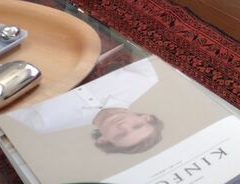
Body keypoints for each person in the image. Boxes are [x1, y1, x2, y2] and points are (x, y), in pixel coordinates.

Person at [8, 57, 164, 155]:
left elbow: (6, 97)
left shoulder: (45, 123)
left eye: (120, 135)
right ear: (146, 118)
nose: (123, 126)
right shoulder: (146, 79)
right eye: (137, 126)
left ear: (103, 140)